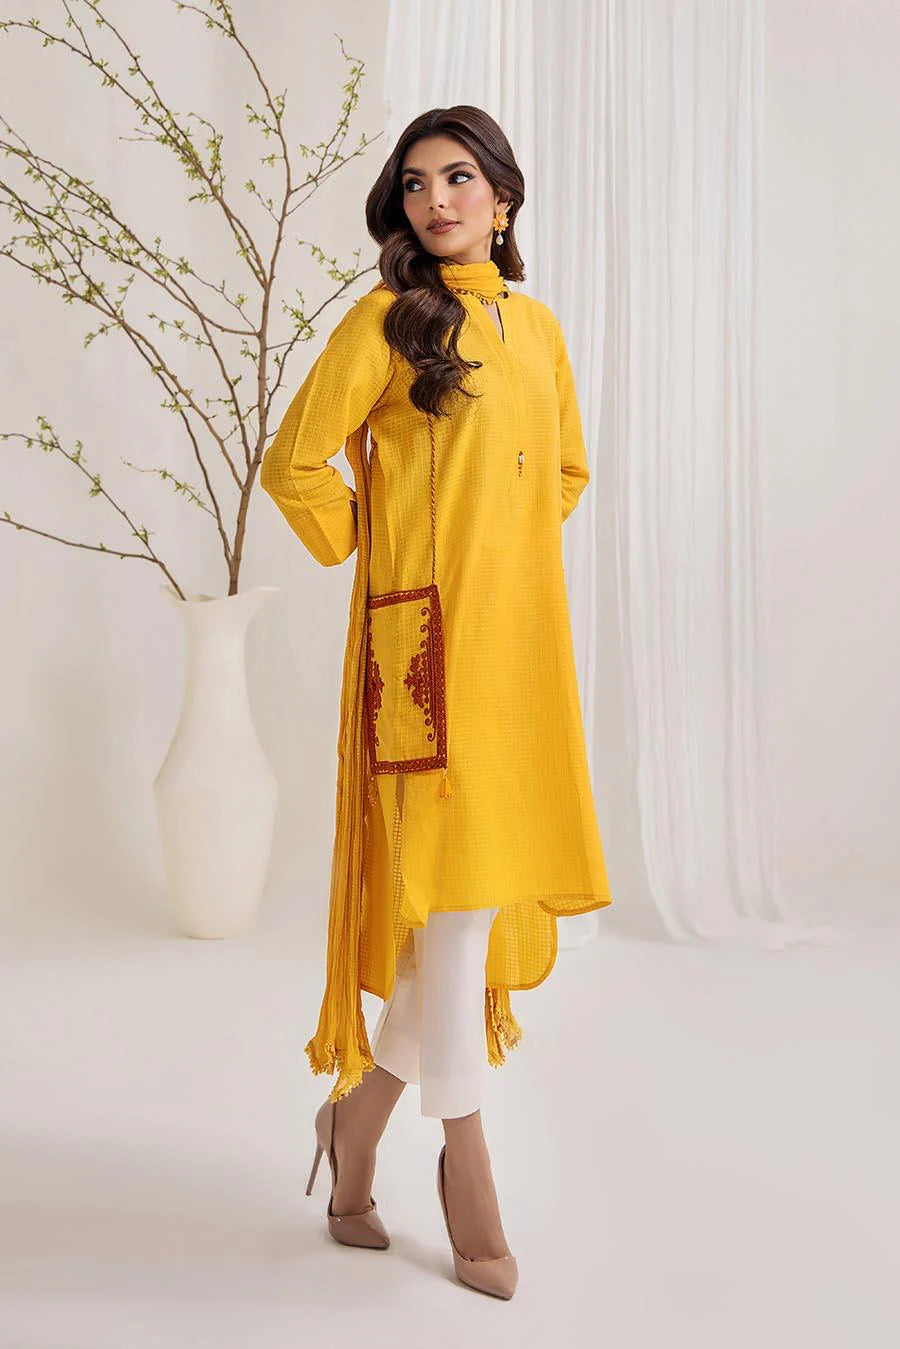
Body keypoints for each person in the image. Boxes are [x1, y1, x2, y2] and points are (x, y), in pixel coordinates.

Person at [260, 104, 613, 1300]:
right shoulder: (386, 323)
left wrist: (493, 554)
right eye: (414, 184)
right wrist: (388, 548)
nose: (436, 200)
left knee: (464, 912)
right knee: (449, 910)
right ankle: (467, 1160)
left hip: (514, 655)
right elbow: (296, 463)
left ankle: (353, 1126)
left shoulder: (537, 329)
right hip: (417, 658)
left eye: (458, 177)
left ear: (502, 197)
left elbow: (563, 470)